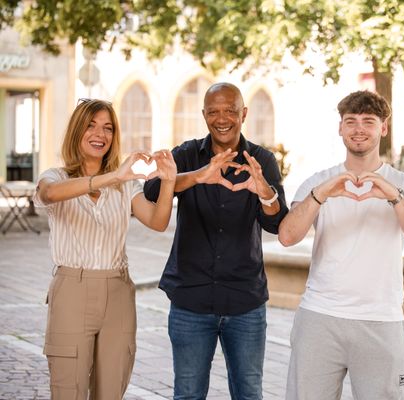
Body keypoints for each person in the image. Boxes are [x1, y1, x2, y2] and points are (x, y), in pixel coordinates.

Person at [143, 82, 288, 399]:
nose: (221, 118)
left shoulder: (261, 159)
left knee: (249, 393)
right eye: (213, 111)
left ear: (243, 113)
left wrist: (265, 192)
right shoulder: (187, 153)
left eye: (229, 110)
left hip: (245, 301)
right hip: (190, 300)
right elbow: (151, 190)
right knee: (188, 394)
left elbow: (277, 223)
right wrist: (197, 175)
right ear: (204, 114)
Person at [279, 90, 404, 400]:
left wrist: (393, 196)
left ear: (383, 128)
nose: (359, 129)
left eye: (368, 122)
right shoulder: (318, 181)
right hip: (320, 316)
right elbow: (287, 236)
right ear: (340, 128)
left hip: (381, 319)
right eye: (351, 121)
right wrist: (321, 194)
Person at [34, 98, 176, 399]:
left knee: (111, 390)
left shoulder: (126, 186)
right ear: (77, 131)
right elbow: (49, 194)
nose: (100, 134)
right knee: (67, 390)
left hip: (118, 292)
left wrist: (168, 182)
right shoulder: (56, 177)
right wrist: (114, 175)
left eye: (108, 128)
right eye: (91, 126)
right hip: (72, 288)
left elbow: (157, 221)